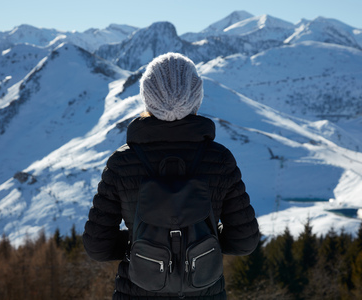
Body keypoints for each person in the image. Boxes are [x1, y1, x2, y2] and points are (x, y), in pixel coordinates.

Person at [83, 52, 260, 300]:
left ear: (148, 97)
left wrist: (142, 242)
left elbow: (98, 247)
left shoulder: (122, 162)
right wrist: (201, 239)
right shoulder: (220, 160)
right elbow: (244, 242)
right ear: (196, 96)